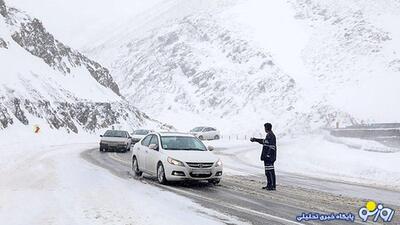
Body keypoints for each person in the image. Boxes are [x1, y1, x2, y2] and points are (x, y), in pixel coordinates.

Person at [250, 123, 277, 190]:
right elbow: (264, 142)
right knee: (267, 172)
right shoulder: (268, 135)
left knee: (270, 171)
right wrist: (255, 139)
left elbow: (272, 146)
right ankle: (269, 184)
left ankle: (272, 186)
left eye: (265, 127)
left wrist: (268, 155)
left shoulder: (271, 135)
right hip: (267, 157)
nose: (264, 129)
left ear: (267, 128)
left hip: (270, 157)